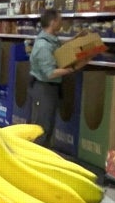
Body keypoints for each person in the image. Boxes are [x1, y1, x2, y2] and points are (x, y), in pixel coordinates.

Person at [28, 9, 86, 147]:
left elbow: (59, 48)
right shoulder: (43, 46)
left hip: (50, 88)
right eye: (60, 20)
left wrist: (76, 39)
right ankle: (35, 159)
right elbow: (50, 73)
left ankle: (43, 157)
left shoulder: (50, 40)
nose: (61, 23)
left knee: (48, 124)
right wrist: (73, 68)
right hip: (43, 89)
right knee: (42, 127)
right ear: (53, 22)